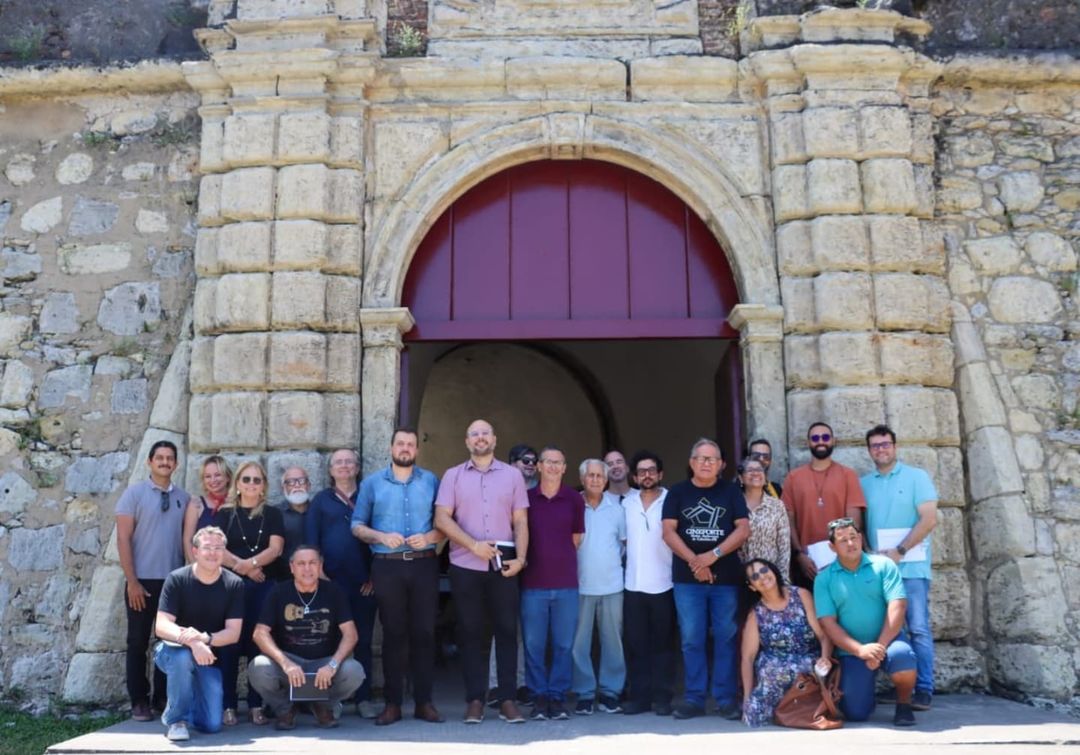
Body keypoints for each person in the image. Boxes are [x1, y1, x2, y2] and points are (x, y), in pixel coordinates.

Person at [434, 419, 529, 725]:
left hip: (504, 566)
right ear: (467, 441)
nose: (480, 437)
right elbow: (442, 520)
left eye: (485, 433)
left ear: (494, 439)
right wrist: (473, 545)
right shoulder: (453, 476)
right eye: (474, 433)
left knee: (506, 631)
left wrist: (522, 558)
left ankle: (507, 699)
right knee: (470, 633)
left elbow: (520, 522)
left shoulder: (513, 475)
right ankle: (475, 699)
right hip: (465, 564)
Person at [352, 428, 445, 726]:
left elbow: (446, 524)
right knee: (393, 635)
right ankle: (392, 704)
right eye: (400, 444)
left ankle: (423, 702)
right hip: (387, 566)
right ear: (391, 447)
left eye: (410, 445)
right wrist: (379, 535)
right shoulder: (372, 483)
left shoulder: (431, 481)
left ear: (417, 450)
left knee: (425, 634)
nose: (405, 448)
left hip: (424, 565)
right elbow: (356, 525)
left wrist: (431, 535)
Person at [662, 438, 750, 720]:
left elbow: (743, 529)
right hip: (687, 581)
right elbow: (668, 532)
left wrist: (711, 556)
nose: (706, 463)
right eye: (700, 458)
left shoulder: (732, 492)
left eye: (712, 459)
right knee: (691, 639)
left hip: (725, 580)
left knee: (726, 637)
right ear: (691, 462)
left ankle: (725, 699)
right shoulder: (677, 492)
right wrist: (694, 561)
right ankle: (694, 698)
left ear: (721, 465)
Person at [861, 424, 939, 711]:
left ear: (895, 446)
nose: (881, 449)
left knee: (917, 628)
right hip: (880, 571)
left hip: (912, 568)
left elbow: (929, 519)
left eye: (885, 444)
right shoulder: (864, 483)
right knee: (886, 630)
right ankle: (900, 688)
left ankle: (924, 690)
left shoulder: (917, 477)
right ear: (869, 450)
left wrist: (900, 551)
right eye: (875, 445)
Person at [248, 545, 366, 730]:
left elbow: (350, 634)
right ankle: (286, 709)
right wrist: (285, 663)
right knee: (258, 667)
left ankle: (323, 706)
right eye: (301, 564)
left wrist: (332, 665)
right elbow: (259, 633)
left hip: (323, 663)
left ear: (320, 566)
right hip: (289, 664)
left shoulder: (334, 592)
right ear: (292, 567)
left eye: (312, 563)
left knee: (354, 671)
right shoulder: (279, 592)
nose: (307, 568)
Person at [814, 518, 918, 726]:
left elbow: (898, 606)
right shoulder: (824, 579)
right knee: (856, 713)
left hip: (888, 641)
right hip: (851, 650)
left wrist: (879, 647)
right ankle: (865, 696)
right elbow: (828, 623)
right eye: (843, 540)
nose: (850, 544)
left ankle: (904, 704)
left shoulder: (884, 565)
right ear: (832, 547)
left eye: (854, 537)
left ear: (861, 538)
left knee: (903, 657)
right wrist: (861, 650)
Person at [116, 440, 190, 722]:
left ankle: (162, 697)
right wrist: (132, 581)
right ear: (149, 462)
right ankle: (138, 700)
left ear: (176, 464)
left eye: (170, 458)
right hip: (141, 581)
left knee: (168, 642)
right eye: (159, 458)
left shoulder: (183, 497)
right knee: (137, 642)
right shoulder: (133, 495)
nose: (164, 462)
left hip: (172, 583)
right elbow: (123, 538)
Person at [305, 448, 378, 718]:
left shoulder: (369, 495)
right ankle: (328, 700)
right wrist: (319, 576)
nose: (344, 466)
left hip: (364, 584)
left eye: (349, 462)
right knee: (327, 641)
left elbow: (379, 535)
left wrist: (375, 576)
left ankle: (364, 698)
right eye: (339, 462)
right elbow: (311, 540)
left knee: (363, 640)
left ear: (357, 467)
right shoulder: (321, 501)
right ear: (331, 470)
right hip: (329, 584)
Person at [153, 526, 244, 742]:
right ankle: (176, 720)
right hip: (171, 652)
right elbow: (162, 626)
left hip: (205, 657)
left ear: (225, 552)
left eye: (218, 548)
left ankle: (185, 700)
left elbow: (233, 633)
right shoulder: (177, 579)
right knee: (183, 658)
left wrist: (204, 639)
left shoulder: (234, 584)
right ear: (195, 551)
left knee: (212, 725)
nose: (213, 553)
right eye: (207, 548)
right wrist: (193, 643)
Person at [212, 460, 285, 726]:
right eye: (246, 479)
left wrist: (251, 564)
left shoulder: (273, 514)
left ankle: (256, 705)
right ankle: (228, 704)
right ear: (238, 484)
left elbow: (275, 549)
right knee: (229, 646)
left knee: (259, 644)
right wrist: (243, 569)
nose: (251, 484)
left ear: (264, 486)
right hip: (231, 589)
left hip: (264, 588)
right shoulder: (225, 514)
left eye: (257, 480)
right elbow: (217, 548)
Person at [520, 447, 584, 721]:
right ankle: (539, 696)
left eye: (559, 463)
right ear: (539, 467)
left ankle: (557, 697)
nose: (554, 467)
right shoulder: (525, 499)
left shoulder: (573, 499)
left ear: (564, 467)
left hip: (566, 583)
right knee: (534, 645)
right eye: (548, 462)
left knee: (563, 644)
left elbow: (577, 538)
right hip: (532, 584)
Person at [740, 558, 832, 727]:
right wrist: (747, 697)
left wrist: (825, 658)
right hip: (773, 672)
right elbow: (748, 658)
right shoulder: (756, 613)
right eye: (755, 576)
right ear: (752, 586)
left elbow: (823, 636)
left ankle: (797, 711)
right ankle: (781, 712)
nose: (762, 577)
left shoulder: (801, 595)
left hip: (808, 663)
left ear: (773, 571)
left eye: (764, 570)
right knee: (752, 715)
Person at [621, 451, 675, 716]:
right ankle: (639, 697)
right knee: (636, 644)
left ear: (660, 474)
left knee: (663, 645)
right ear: (634, 476)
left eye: (651, 470)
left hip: (664, 584)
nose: (647, 475)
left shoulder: (671, 500)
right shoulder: (626, 503)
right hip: (632, 585)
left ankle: (663, 697)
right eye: (641, 471)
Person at [571, 458, 626, 715]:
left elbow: (624, 544)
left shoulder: (617, 508)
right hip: (579, 586)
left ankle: (610, 691)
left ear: (606, 481)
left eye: (599, 476)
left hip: (612, 585)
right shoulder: (572, 504)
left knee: (612, 641)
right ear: (582, 479)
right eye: (590, 475)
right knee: (578, 643)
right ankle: (583, 693)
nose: (595, 480)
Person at [782, 422, 866, 586]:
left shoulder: (848, 475)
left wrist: (842, 553)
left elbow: (853, 520)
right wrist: (799, 555)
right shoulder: (793, 477)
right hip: (807, 564)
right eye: (815, 438)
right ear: (808, 443)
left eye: (825, 437)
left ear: (833, 441)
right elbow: (788, 520)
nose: (820, 441)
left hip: (843, 561)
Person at [738, 458, 791, 581]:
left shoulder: (777, 506)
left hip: (770, 578)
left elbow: (784, 546)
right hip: (740, 578)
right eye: (750, 470)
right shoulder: (734, 504)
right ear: (741, 478)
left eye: (759, 470)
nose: (756, 473)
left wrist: (782, 580)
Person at [182, 456, 231, 565]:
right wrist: (196, 569)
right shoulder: (196, 504)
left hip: (234, 569)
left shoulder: (237, 503)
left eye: (217, 475)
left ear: (227, 477)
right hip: (205, 569)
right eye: (208, 476)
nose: (213, 480)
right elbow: (188, 540)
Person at [277, 466, 311, 563]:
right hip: (284, 575)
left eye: (302, 481)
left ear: (309, 485)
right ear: (283, 487)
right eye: (290, 482)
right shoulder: (275, 514)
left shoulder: (318, 511)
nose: (297, 485)